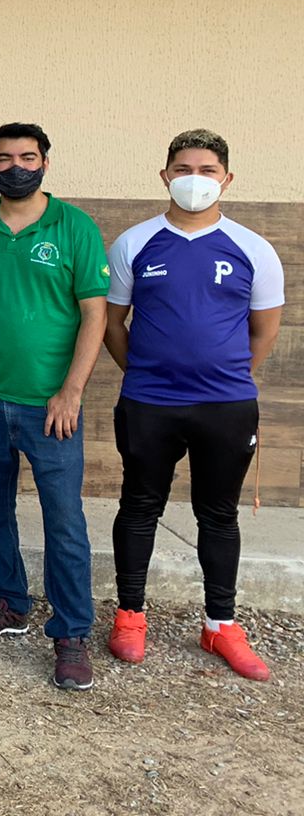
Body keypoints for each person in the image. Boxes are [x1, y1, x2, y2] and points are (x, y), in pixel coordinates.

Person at [102, 130, 284, 681]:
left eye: (207, 169)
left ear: (226, 178)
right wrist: (145, 374)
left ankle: (221, 625)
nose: (195, 179)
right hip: (149, 404)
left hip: (225, 407)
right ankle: (130, 615)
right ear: (164, 175)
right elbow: (112, 323)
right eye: (183, 168)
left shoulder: (253, 248)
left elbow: (264, 330)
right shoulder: (134, 243)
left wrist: (224, 378)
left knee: (219, 515)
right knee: (139, 507)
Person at [0, 122, 109, 691]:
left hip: (51, 407)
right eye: (5, 158)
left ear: (45, 162)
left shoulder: (75, 228)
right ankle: (8, 602)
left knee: (64, 522)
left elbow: (95, 315)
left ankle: (70, 634)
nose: (17, 166)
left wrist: (71, 391)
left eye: (28, 156)